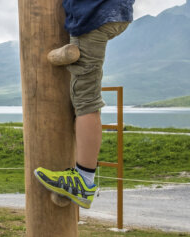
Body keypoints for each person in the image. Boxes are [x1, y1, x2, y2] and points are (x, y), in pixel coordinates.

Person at [35, 0, 134, 209]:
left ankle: (83, 180)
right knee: (84, 98)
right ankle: (83, 177)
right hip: (110, 11)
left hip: (94, 15)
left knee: (86, 101)